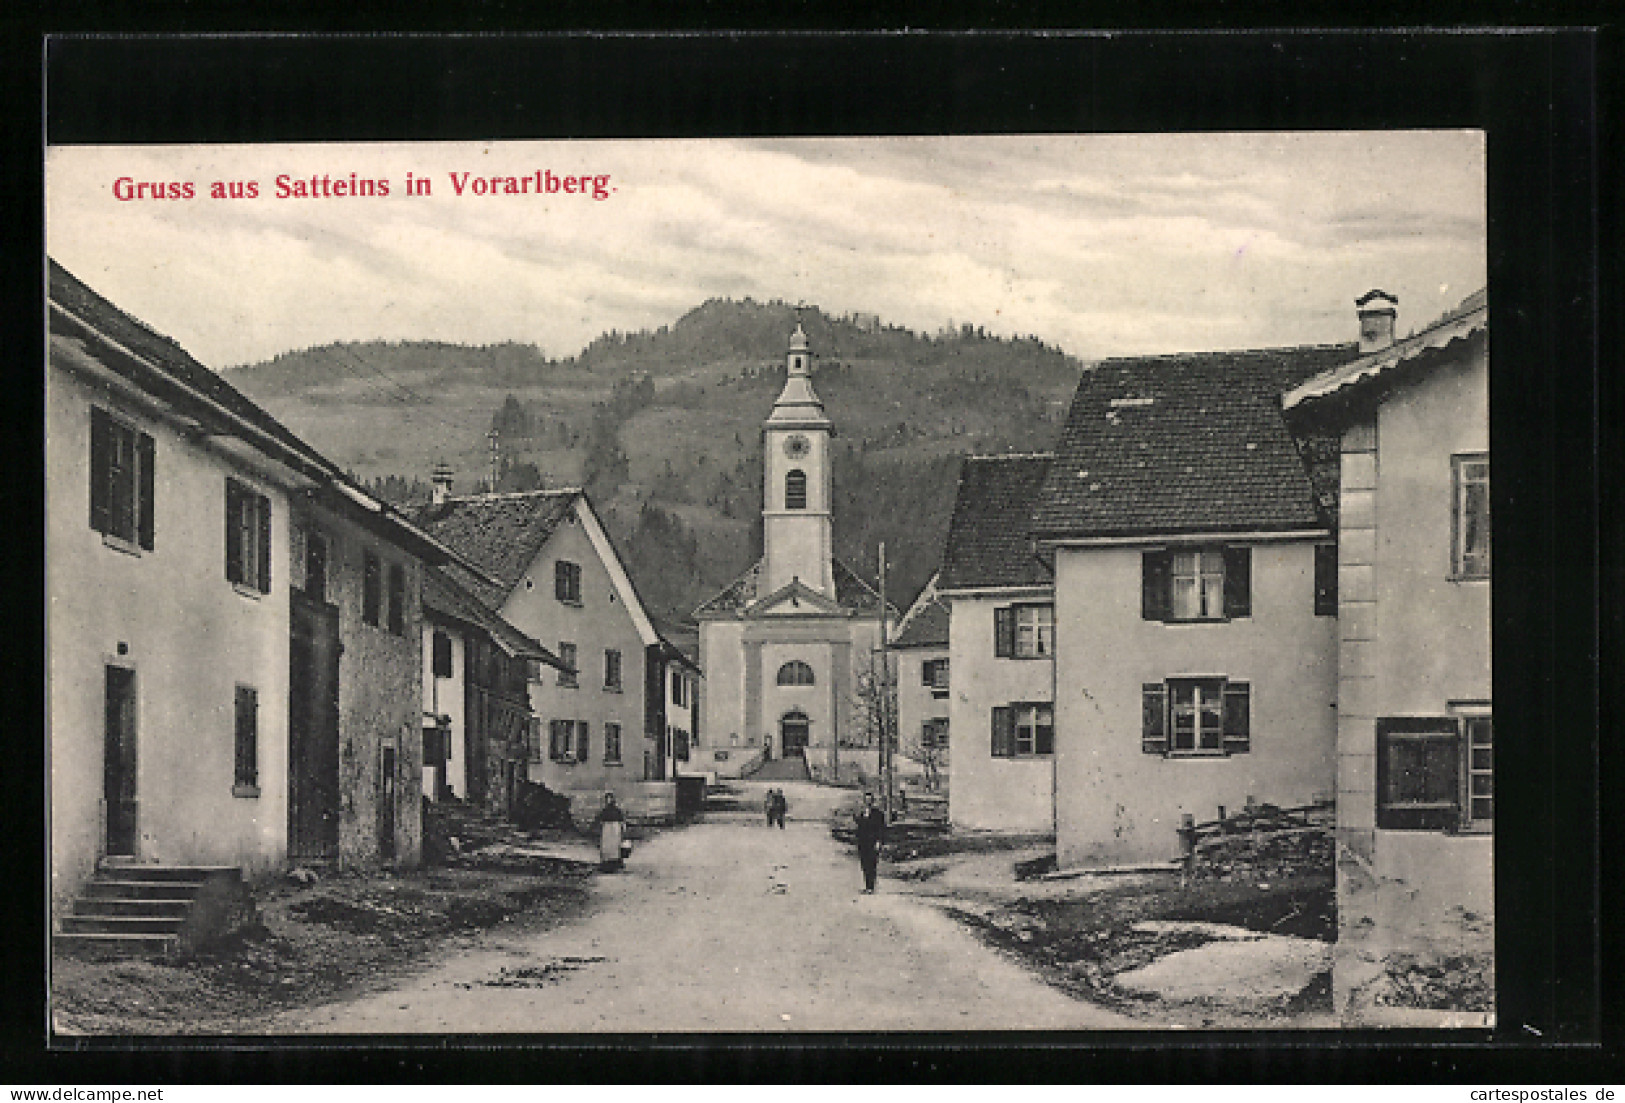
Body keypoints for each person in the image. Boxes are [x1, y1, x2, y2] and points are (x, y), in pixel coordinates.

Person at [854, 792, 886, 894]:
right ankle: (867, 886)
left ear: (872, 801)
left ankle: (871, 887)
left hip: (872, 842)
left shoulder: (878, 814)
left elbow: (881, 829)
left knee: (872, 864)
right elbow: (859, 827)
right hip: (863, 843)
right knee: (864, 864)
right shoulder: (862, 813)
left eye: (870, 800)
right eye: (866, 800)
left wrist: (879, 842)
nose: (868, 802)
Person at [593, 791, 626, 871]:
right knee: (606, 845)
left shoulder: (617, 810)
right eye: (607, 799)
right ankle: (606, 861)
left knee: (615, 844)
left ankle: (616, 861)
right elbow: (599, 819)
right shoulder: (604, 811)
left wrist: (623, 827)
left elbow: (621, 820)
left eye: (610, 799)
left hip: (615, 827)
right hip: (606, 828)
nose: (609, 801)